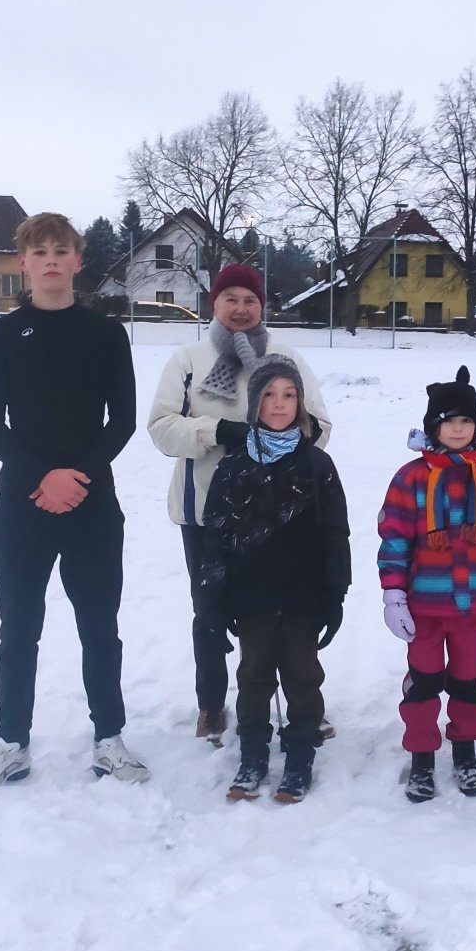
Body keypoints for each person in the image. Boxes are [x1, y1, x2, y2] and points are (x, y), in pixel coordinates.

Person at [0, 213, 148, 792]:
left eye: (61, 250)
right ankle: (12, 742)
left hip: (93, 505)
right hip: (22, 505)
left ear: (77, 260)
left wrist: (77, 478)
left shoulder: (106, 335)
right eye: (39, 251)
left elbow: (122, 421)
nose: (50, 260)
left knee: (100, 626)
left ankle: (109, 738)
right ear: (23, 262)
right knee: (18, 629)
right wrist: (42, 478)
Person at [147, 263, 333, 742]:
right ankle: (211, 703)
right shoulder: (189, 359)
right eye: (231, 298)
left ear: (262, 306)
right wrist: (217, 431)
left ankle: (301, 703)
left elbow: (319, 425)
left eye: (250, 300)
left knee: (282, 607)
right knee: (210, 608)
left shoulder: (284, 357)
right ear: (214, 303)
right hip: (205, 510)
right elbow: (162, 427)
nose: (241, 308)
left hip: (277, 512)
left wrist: (281, 447)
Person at [200, 356, 350, 803]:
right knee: (254, 676)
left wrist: (335, 593)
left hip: (304, 596)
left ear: (300, 402)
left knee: (303, 675)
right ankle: (252, 753)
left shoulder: (318, 464)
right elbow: (216, 536)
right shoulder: (233, 466)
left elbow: (335, 533)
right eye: (269, 394)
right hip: (252, 596)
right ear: (254, 403)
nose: (280, 403)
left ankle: (301, 751)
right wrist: (214, 601)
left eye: (289, 395)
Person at [376, 366, 476, 802]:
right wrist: (393, 595)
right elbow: (395, 540)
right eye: (448, 421)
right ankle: (422, 755)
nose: (458, 429)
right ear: (433, 427)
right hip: (424, 608)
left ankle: (465, 750)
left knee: (468, 682)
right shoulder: (411, 478)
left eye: (466, 421)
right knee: (423, 683)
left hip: (472, 609)